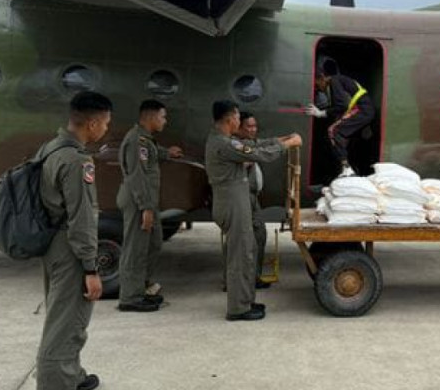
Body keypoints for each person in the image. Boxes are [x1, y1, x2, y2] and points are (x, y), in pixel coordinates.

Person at [32, 90, 113, 390]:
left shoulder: (51, 149)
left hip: (54, 245)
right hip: (71, 252)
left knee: (62, 320)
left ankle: (71, 377)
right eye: (106, 123)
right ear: (92, 122)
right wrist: (92, 268)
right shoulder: (77, 161)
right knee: (65, 328)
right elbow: (82, 219)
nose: (106, 129)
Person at [206, 100, 301, 321]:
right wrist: (288, 145)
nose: (240, 122)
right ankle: (238, 308)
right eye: (238, 118)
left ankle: (246, 300)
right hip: (232, 204)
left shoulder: (224, 141)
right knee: (240, 257)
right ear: (230, 119)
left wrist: (281, 139)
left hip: (235, 202)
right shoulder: (225, 144)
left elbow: (255, 145)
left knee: (246, 252)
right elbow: (260, 154)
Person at [116, 99, 183, 312]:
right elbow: (137, 175)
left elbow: (149, 157)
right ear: (151, 117)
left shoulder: (146, 140)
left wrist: (166, 153)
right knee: (135, 249)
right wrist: (145, 207)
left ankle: (141, 287)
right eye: (163, 117)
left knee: (153, 244)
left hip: (146, 201)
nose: (165, 121)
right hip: (139, 201)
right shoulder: (136, 141)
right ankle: (130, 297)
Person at [304, 57, 375, 177]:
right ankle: (349, 169)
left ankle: (346, 169)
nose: (317, 88)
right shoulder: (339, 80)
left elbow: (342, 105)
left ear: (322, 77)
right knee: (340, 135)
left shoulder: (334, 81)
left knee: (333, 131)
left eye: (316, 83)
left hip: (361, 110)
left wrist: (321, 113)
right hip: (363, 110)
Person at [236, 111, 272, 289]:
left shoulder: (249, 143)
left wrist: (285, 140)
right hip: (244, 197)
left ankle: (253, 277)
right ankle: (244, 280)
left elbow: (264, 144)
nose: (253, 129)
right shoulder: (237, 147)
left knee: (258, 237)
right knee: (248, 239)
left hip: (252, 197)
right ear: (239, 128)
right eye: (248, 126)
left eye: (254, 126)